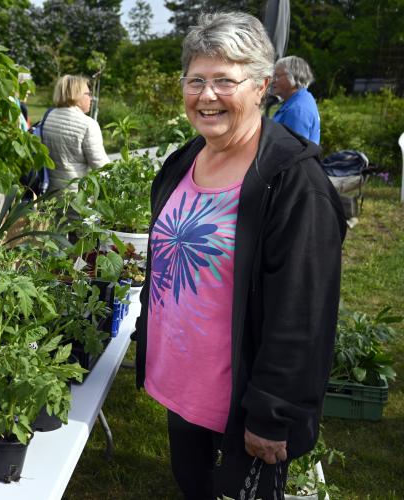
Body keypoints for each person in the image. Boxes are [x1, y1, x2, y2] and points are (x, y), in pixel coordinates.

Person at [133, 12, 346, 499]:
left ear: (262, 86)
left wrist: (273, 414)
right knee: (193, 488)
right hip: (183, 384)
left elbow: (302, 313)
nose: (207, 96)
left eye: (224, 81)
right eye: (196, 80)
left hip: (246, 405)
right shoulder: (183, 161)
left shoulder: (293, 183)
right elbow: (163, 261)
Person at [41, 74, 110, 193]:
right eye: (88, 94)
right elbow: (101, 166)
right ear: (76, 95)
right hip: (75, 197)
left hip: (49, 195)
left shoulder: (48, 117)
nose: (91, 98)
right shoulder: (88, 124)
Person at [271, 55, 321, 144]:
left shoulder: (297, 110)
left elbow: (292, 152)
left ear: (293, 77)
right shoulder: (300, 101)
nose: (273, 80)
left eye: (277, 76)